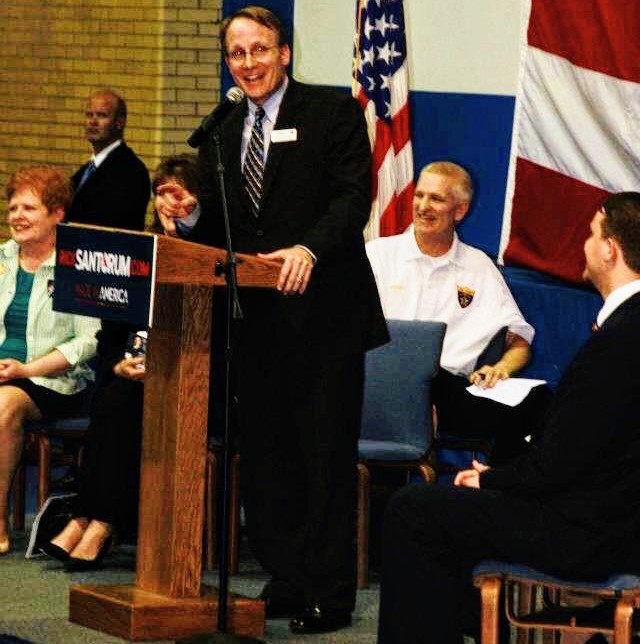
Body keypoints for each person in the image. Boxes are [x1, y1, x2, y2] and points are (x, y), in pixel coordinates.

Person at [154, 5, 387, 634]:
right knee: (267, 461)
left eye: (259, 50)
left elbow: (353, 199)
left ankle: (329, 593)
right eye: (237, 53)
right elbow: (229, 224)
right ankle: (287, 575)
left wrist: (309, 248)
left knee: (322, 458)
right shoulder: (224, 129)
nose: (248, 63)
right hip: (254, 322)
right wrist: (192, 215)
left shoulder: (331, 111)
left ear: (284, 53)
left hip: (325, 318)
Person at [376, 191, 640, 644]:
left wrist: (493, 480)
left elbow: (562, 462)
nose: (584, 244)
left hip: (591, 532)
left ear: (609, 249)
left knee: (412, 510)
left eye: (591, 234)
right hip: (614, 516)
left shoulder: (617, 344)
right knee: (449, 511)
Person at [41, 154, 199, 570]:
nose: (168, 202)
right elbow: (110, 332)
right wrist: (117, 364)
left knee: (120, 402)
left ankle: (97, 521)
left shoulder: (210, 254)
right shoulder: (138, 251)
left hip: (195, 382)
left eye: (179, 193)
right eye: (161, 193)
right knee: (115, 393)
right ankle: (89, 517)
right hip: (132, 376)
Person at [366, 161, 550, 464]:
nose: (423, 206)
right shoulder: (378, 255)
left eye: (436, 199)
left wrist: (501, 368)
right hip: (383, 385)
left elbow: (519, 341)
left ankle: (490, 484)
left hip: (448, 389)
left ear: (460, 211)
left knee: (537, 401)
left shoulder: (478, 267)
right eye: (419, 195)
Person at [0, 166, 100, 555]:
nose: (17, 216)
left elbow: (87, 341)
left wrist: (26, 369)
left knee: (4, 404)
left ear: (57, 213)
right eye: (13, 208)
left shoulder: (77, 264)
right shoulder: (2, 258)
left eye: (29, 208)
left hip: (55, 380)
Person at [67, 89, 150, 231]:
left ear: (119, 122)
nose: (93, 121)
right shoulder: (85, 171)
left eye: (102, 115)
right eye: (89, 115)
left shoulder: (131, 171)